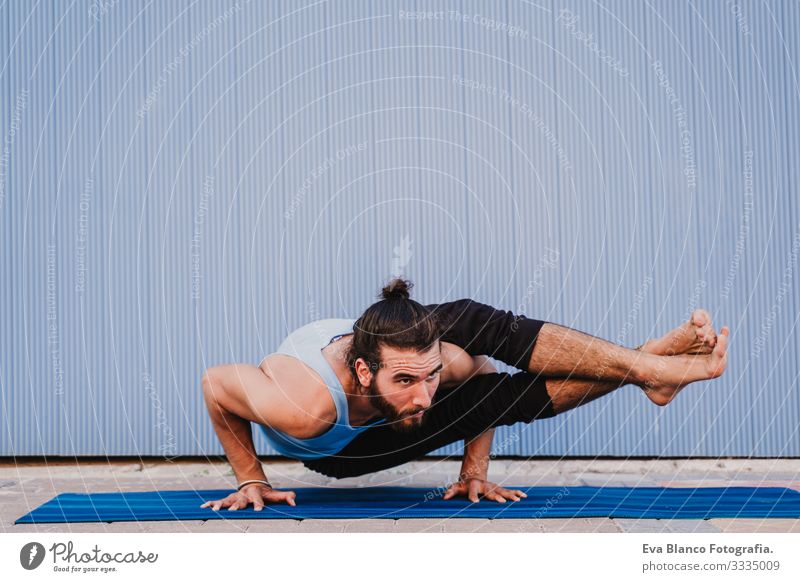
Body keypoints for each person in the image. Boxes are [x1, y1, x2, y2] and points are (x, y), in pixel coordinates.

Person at [200, 278, 728, 511]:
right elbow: (216, 385)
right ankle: (648, 363)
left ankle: (648, 368)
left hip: (396, 346)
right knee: (468, 381)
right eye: (405, 382)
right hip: (346, 451)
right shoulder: (303, 406)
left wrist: (473, 470)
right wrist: (251, 479)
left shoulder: (436, 367)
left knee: (477, 334)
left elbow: (482, 380)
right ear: (363, 371)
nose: (426, 395)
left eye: (428, 377)